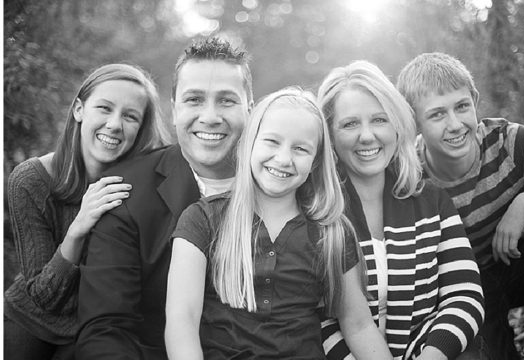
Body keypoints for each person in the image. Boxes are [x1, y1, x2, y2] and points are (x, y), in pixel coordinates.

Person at [165, 87, 392, 360]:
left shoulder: (331, 233)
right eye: (272, 142)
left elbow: (359, 326)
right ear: (250, 142)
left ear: (316, 161)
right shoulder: (202, 220)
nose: (284, 159)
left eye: (300, 148)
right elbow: (182, 322)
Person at [76, 37, 253, 360]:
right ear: (174, 110)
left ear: (249, 109)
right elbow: (105, 331)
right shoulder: (126, 191)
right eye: (194, 99)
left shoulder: (284, 185)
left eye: (226, 101)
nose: (210, 116)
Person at [317, 61, 485, 360]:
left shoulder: (430, 200)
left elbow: (464, 295)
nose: (367, 136)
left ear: (397, 124)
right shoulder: (316, 211)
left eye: (379, 120)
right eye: (350, 123)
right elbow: (312, 318)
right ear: (329, 135)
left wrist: (431, 356)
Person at [4, 63, 168, 360]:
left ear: (140, 129)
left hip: (95, 327)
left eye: (130, 116)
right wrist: (80, 225)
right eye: (104, 108)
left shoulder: (141, 186)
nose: (115, 124)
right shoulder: (30, 180)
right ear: (80, 110)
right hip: (32, 321)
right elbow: (44, 297)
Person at [397, 52, 524, 360]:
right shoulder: (410, 179)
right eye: (437, 114)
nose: (455, 124)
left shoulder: (511, 142)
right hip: (461, 291)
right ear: (414, 121)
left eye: (462, 106)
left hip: (519, 263)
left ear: (475, 100)